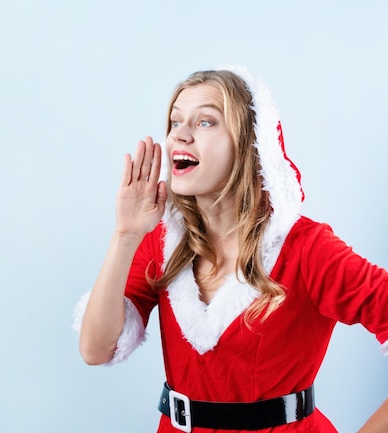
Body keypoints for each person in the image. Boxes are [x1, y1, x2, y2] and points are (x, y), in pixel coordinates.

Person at [73, 66, 388, 432]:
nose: (181, 136)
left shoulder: (307, 248)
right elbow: (95, 350)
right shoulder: (159, 243)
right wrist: (125, 235)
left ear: (250, 145)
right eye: (175, 122)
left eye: (205, 122)